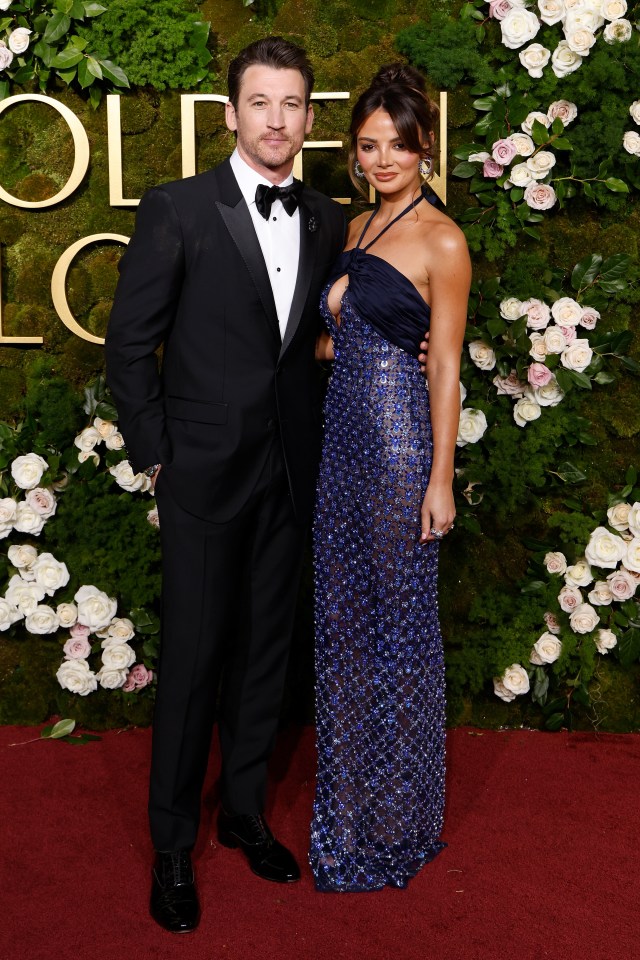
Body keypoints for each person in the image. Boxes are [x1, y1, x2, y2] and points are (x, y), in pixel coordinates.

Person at [105, 37, 346, 932]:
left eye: (293, 104)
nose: (277, 119)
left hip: (291, 468)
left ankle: (243, 810)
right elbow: (131, 343)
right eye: (261, 103)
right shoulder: (178, 208)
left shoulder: (326, 217)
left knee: (264, 656)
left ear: (310, 118)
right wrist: (156, 453)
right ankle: (173, 843)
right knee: (196, 659)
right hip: (201, 473)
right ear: (231, 113)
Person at [309, 64, 471, 892]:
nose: (382, 161)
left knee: (397, 631)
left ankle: (397, 818)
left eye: (398, 147)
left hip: (403, 450)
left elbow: (443, 367)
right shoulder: (355, 229)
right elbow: (332, 340)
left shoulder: (442, 238)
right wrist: (347, 348)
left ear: (424, 148)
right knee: (344, 628)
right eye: (369, 147)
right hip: (342, 448)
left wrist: (439, 481)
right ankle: (348, 803)